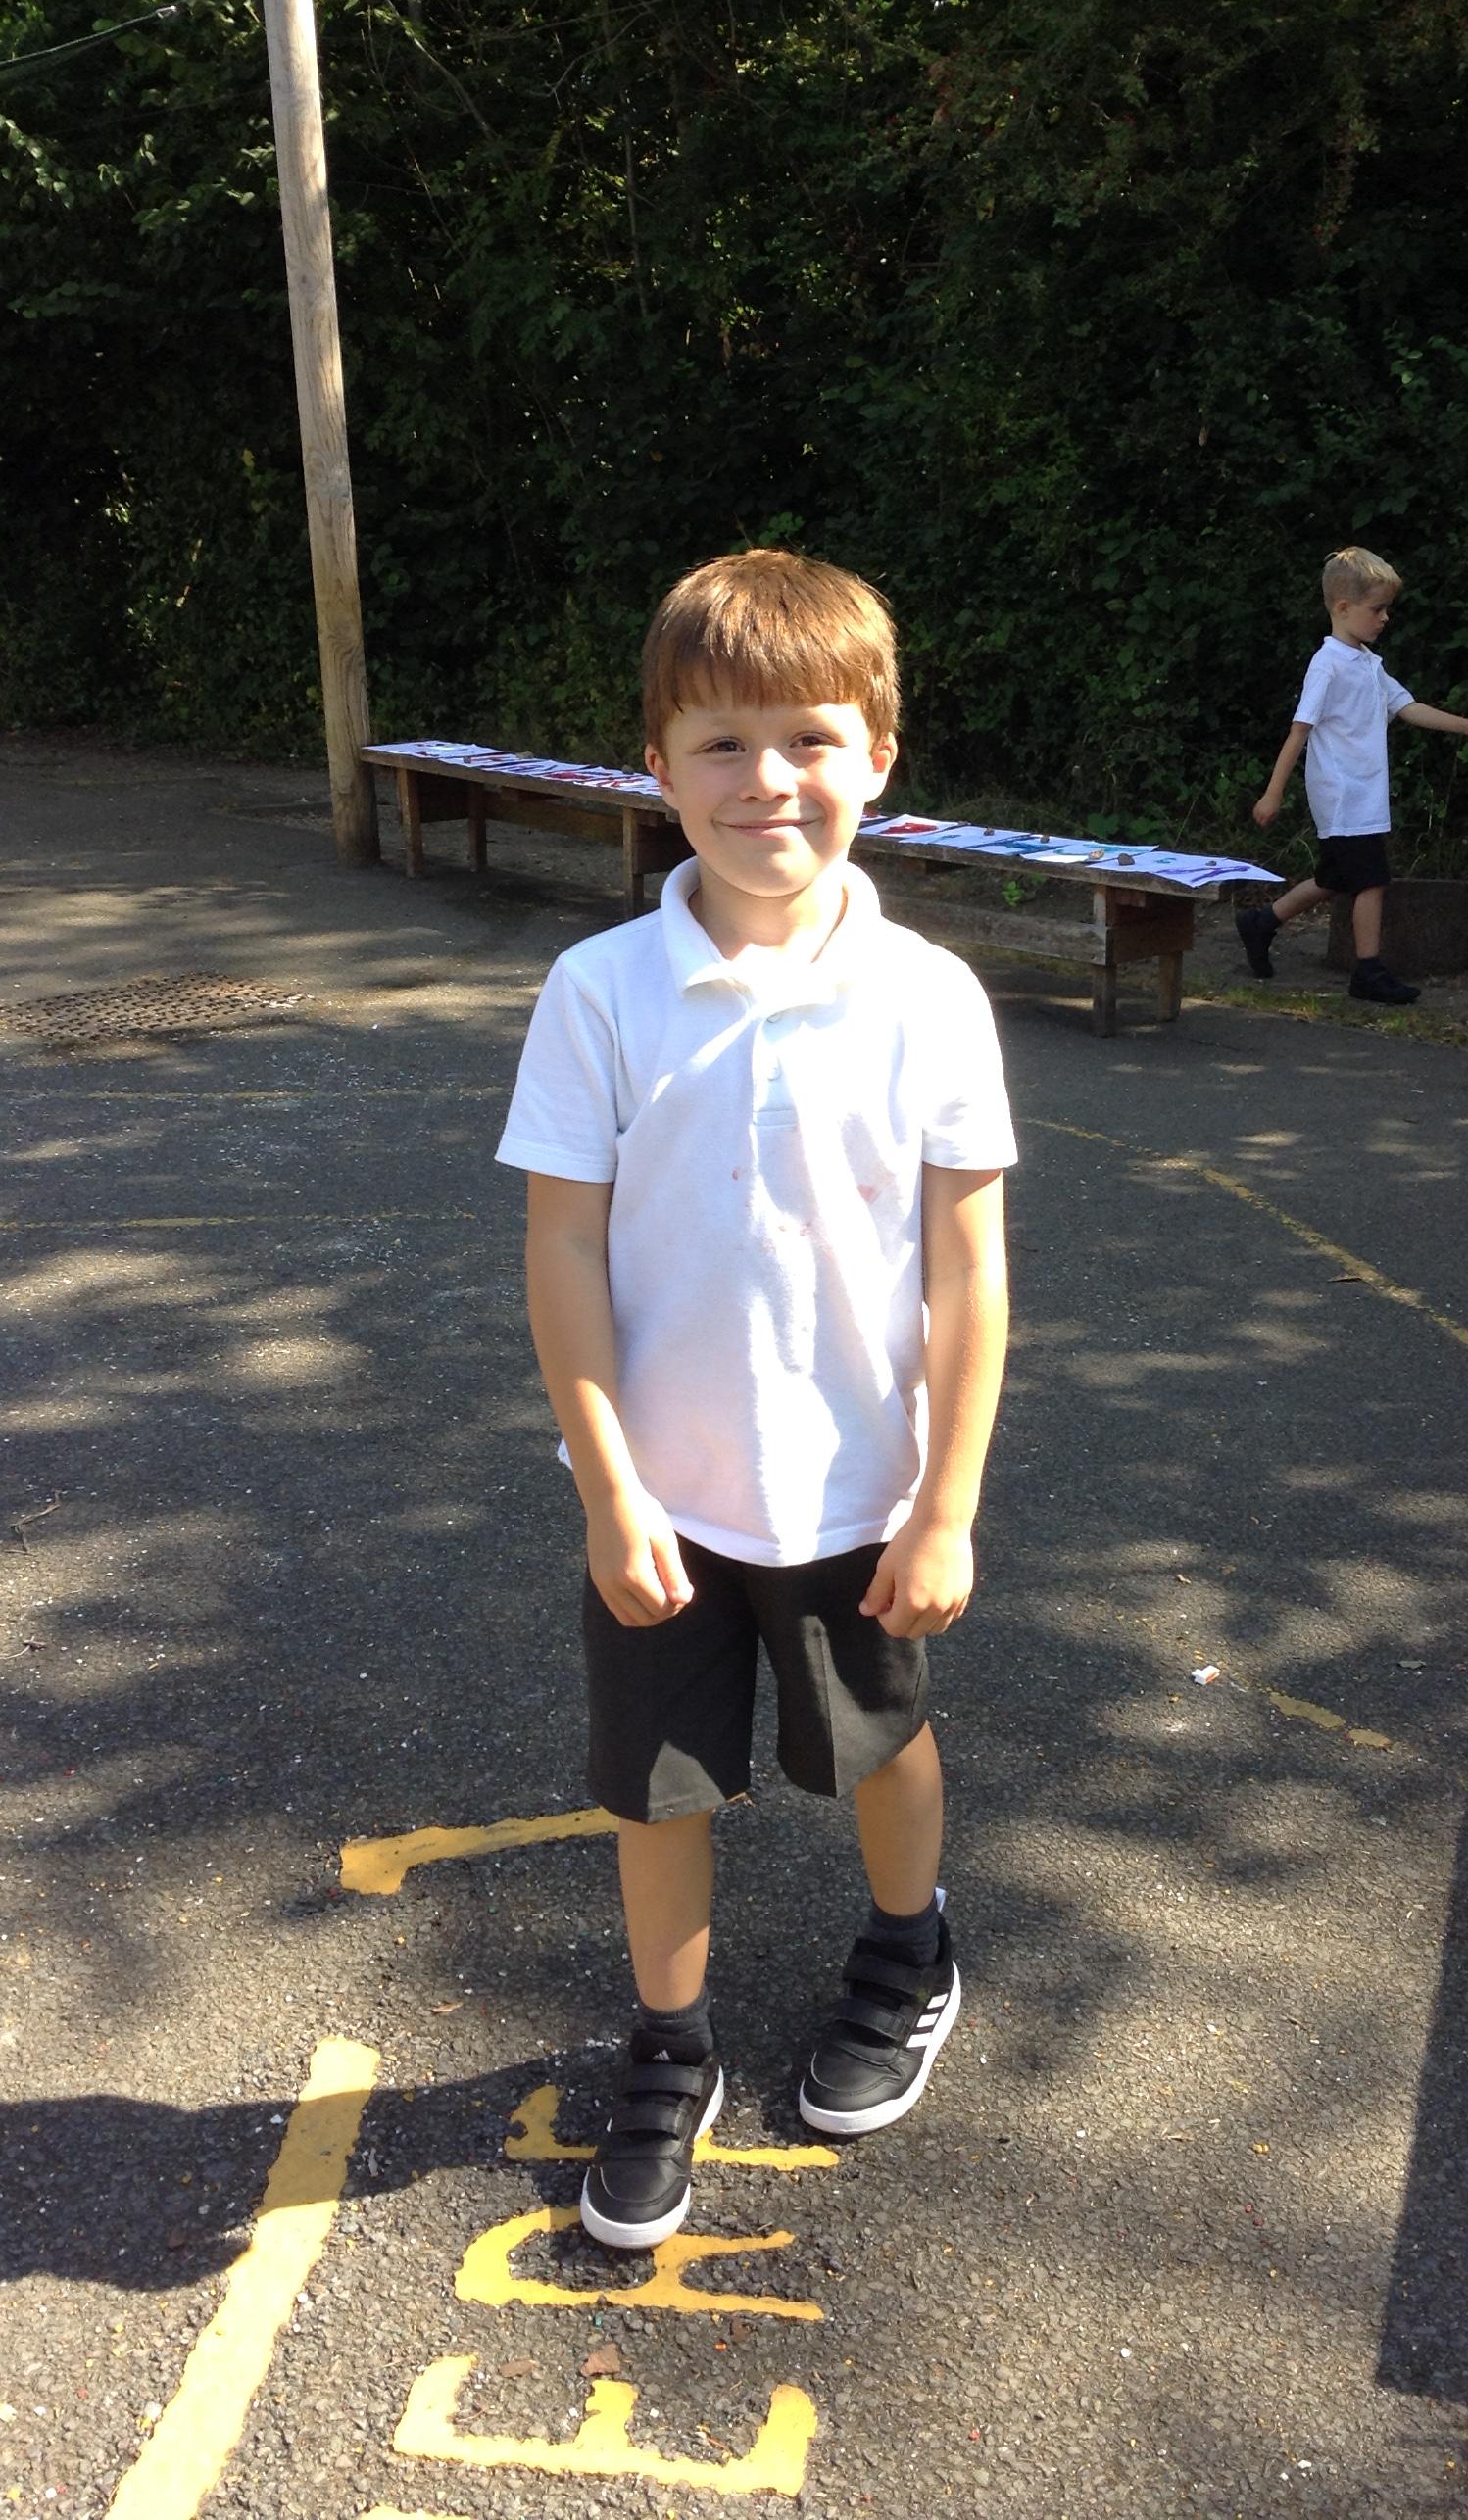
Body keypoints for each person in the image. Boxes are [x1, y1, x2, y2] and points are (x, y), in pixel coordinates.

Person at [496, 549, 1015, 2252]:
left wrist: (944, 1502)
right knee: (656, 1784)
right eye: (719, 742)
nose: (766, 780)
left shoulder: (929, 997)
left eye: (808, 738)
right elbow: (563, 1249)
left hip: (861, 1487)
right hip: (663, 1496)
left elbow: (969, 1272)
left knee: (880, 1737)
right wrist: (607, 1489)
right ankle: (671, 2045)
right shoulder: (602, 990)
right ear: (658, 767)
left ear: (879, 755)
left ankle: (908, 1946)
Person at [1236, 546, 1468, 1004]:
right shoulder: (1328, 665)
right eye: (1376, 609)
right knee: (1371, 879)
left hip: (1363, 794)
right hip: (1342, 795)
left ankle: (1260, 923)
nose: (1384, 618)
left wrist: (1466, 726)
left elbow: (1408, 707)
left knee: (1334, 879)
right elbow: (1299, 731)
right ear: (1343, 608)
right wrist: (1272, 794)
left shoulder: (1368, 665)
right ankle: (1368, 972)